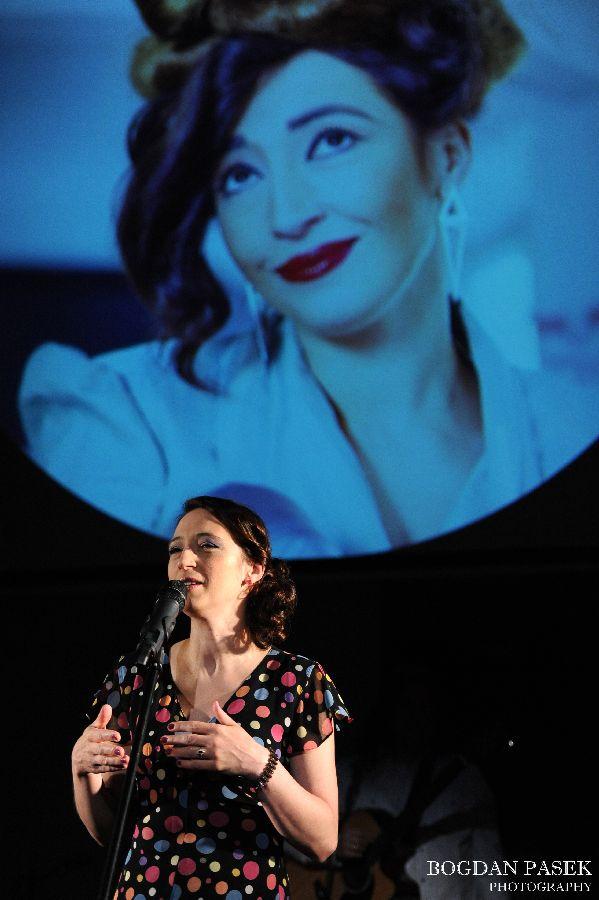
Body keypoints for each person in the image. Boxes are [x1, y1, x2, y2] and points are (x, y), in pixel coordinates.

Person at [19, 0, 599, 558]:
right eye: (239, 174)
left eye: (332, 140)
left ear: (447, 155)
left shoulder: (574, 430)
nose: (286, 216)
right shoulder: (129, 425)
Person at [71, 495, 352, 898]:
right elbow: (113, 835)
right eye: (175, 549)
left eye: (206, 545)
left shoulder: (296, 681)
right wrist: (83, 773)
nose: (184, 560)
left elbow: (322, 840)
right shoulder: (136, 675)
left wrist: (256, 764)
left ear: (252, 570)